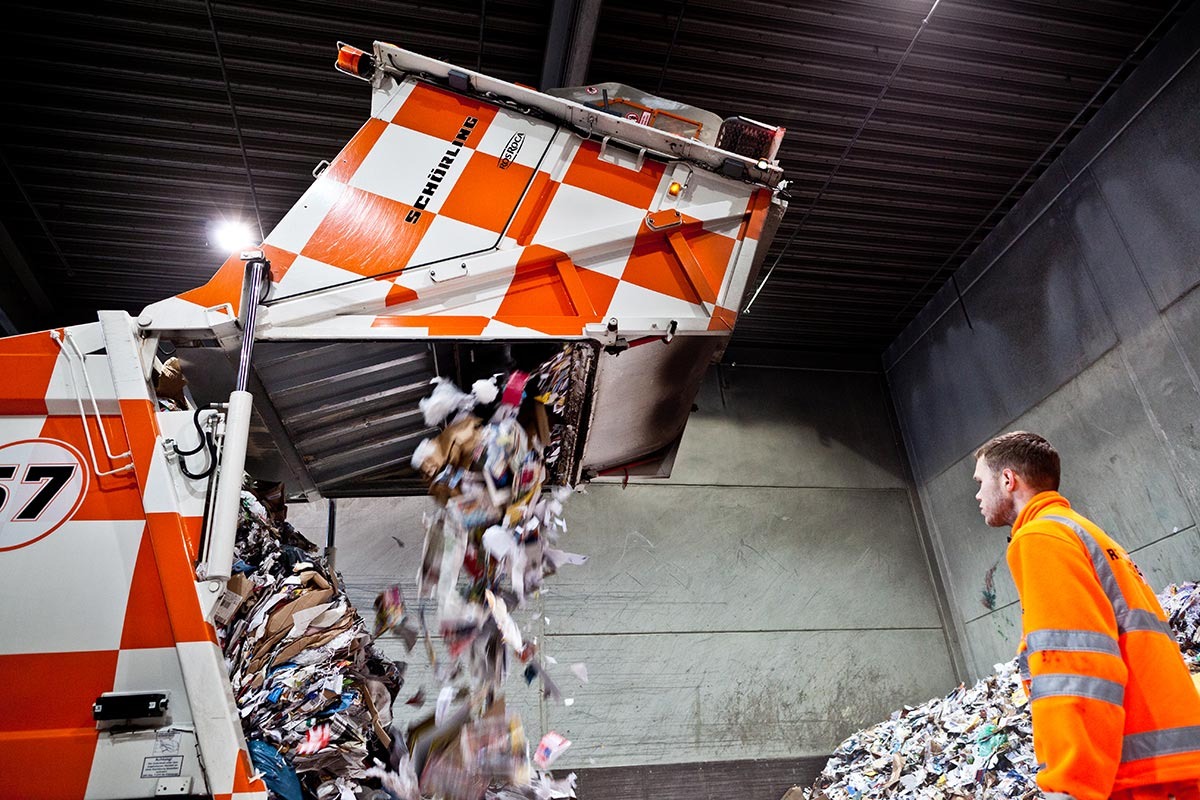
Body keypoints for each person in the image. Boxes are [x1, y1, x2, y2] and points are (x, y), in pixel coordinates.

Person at [973, 431, 1200, 800]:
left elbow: (1073, 666)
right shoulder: (1088, 534)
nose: (978, 496)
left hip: (1130, 774)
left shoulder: (1041, 537)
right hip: (1172, 762)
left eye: (981, 482)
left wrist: (1070, 783)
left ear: (1008, 479)